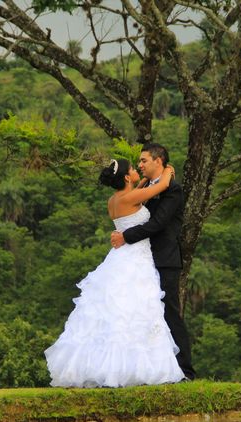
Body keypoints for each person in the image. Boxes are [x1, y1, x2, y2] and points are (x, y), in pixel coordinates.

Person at [44, 158, 185, 387]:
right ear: (128, 176)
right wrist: (167, 170)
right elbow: (160, 187)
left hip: (122, 255)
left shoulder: (115, 200)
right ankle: (137, 370)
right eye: (132, 168)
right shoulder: (130, 197)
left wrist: (145, 178)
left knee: (122, 310)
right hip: (136, 258)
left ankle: (115, 368)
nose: (136, 168)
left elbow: (138, 194)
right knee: (136, 310)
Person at [111, 143, 196, 381]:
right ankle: (155, 369)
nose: (140, 164)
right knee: (146, 315)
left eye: (144, 160)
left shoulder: (173, 190)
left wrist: (125, 236)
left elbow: (156, 224)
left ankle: (185, 371)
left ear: (159, 161)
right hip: (143, 262)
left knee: (170, 313)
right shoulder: (146, 187)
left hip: (165, 260)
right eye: (138, 162)